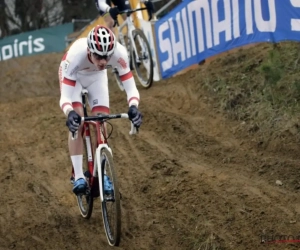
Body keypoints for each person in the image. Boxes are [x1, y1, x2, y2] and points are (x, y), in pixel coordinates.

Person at [58, 25, 143, 195]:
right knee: (79, 119)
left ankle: (103, 174)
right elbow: (65, 98)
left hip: (97, 78)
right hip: (74, 76)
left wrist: (133, 107)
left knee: (101, 119)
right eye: (98, 56)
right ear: (89, 50)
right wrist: (70, 113)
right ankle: (79, 176)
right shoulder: (76, 55)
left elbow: (131, 88)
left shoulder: (119, 53)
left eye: (106, 56)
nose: (103, 61)